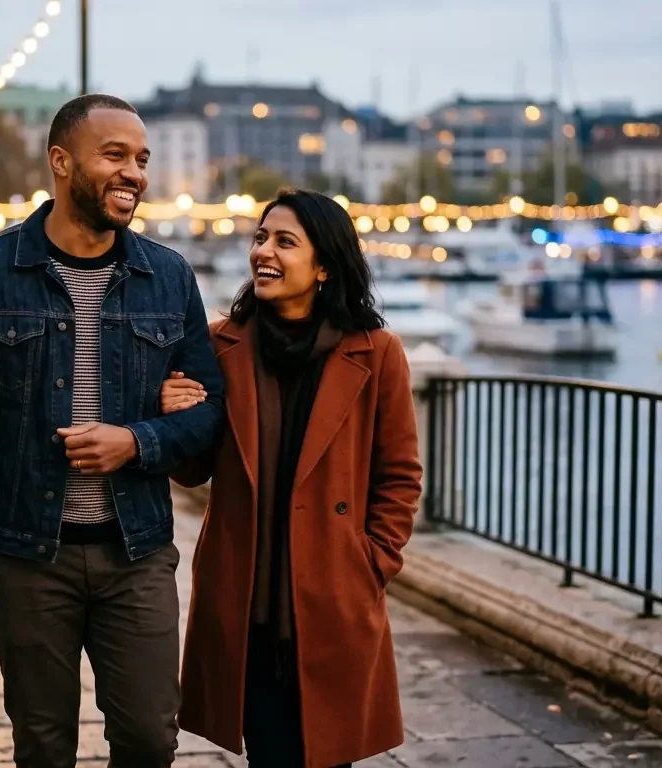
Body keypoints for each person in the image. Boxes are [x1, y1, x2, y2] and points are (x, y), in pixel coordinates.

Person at [0, 93, 224, 768]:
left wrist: (139, 440)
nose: (135, 173)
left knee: (149, 737)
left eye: (141, 159)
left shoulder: (168, 277)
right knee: (44, 745)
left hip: (136, 551)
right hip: (25, 555)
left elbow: (212, 414)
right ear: (60, 161)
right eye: (115, 155)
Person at [160, 189, 423, 768]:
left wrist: (372, 562)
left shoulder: (377, 353)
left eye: (285, 242)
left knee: (331, 755)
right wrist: (174, 418)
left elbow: (399, 476)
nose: (264, 253)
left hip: (332, 598)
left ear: (324, 264)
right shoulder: (220, 344)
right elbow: (192, 466)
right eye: (260, 238)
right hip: (246, 600)